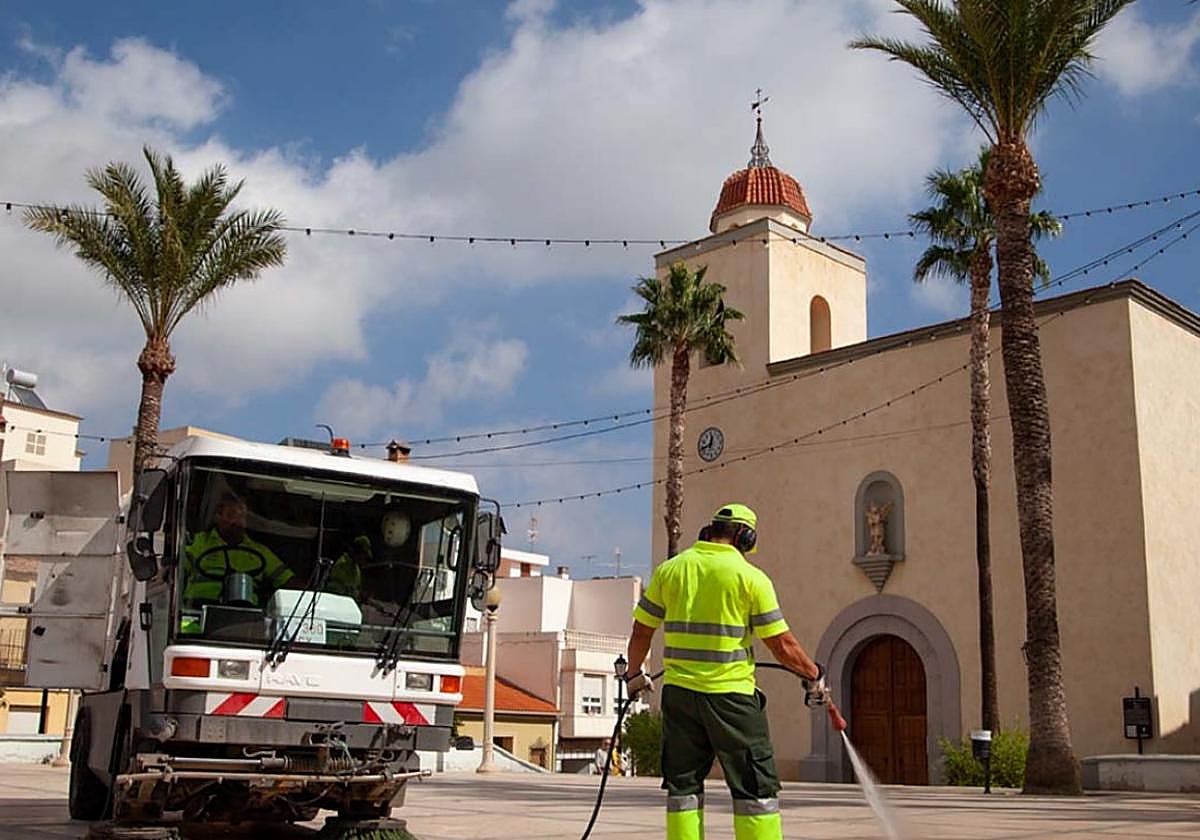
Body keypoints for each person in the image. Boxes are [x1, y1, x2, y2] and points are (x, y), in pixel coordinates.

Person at [623, 503, 827, 840]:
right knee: (755, 788)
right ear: (745, 537)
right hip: (731, 698)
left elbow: (641, 631)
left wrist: (633, 676)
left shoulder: (670, 571)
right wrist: (813, 674)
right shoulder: (751, 578)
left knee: (683, 787)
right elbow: (782, 644)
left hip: (679, 696)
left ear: (711, 529)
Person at [182, 493, 294, 609]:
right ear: (217, 516)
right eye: (231, 515)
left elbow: (287, 580)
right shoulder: (198, 542)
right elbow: (176, 571)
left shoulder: (260, 551)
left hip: (246, 613)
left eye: (242, 517)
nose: (237, 521)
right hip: (197, 610)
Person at [328, 535, 373, 600]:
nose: (364, 559)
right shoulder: (342, 564)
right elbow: (335, 589)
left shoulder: (356, 568)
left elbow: (355, 588)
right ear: (356, 551)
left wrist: (361, 595)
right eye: (363, 554)